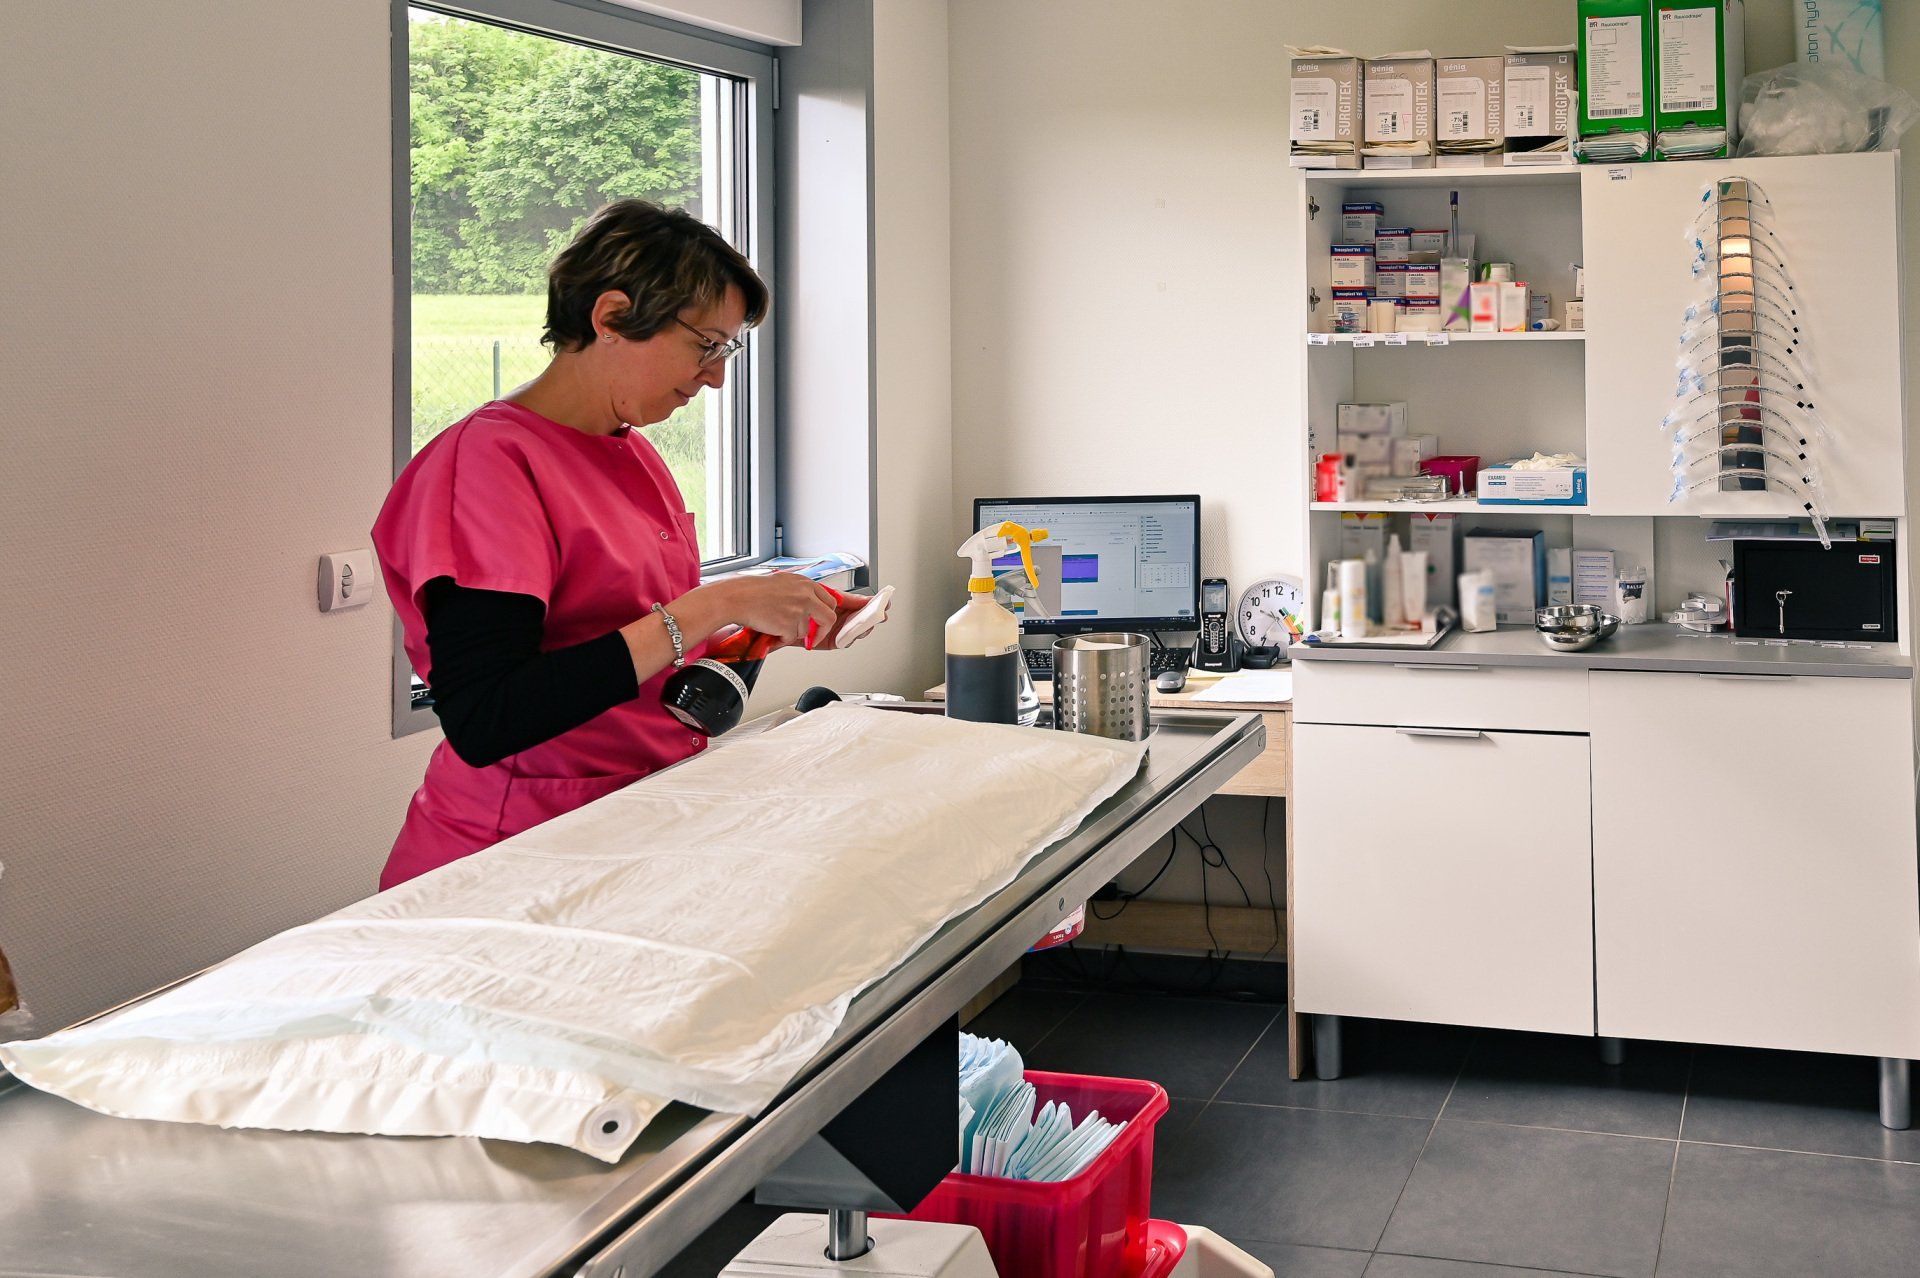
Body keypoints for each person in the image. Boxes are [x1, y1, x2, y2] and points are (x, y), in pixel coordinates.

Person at [372, 199, 853, 889]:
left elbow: (636, 647)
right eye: (706, 344)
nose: (717, 376)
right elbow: (487, 715)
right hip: (515, 849)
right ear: (611, 317)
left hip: (634, 819)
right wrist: (717, 602)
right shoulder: (486, 464)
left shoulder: (633, 453)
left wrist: (761, 625)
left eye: (727, 350)